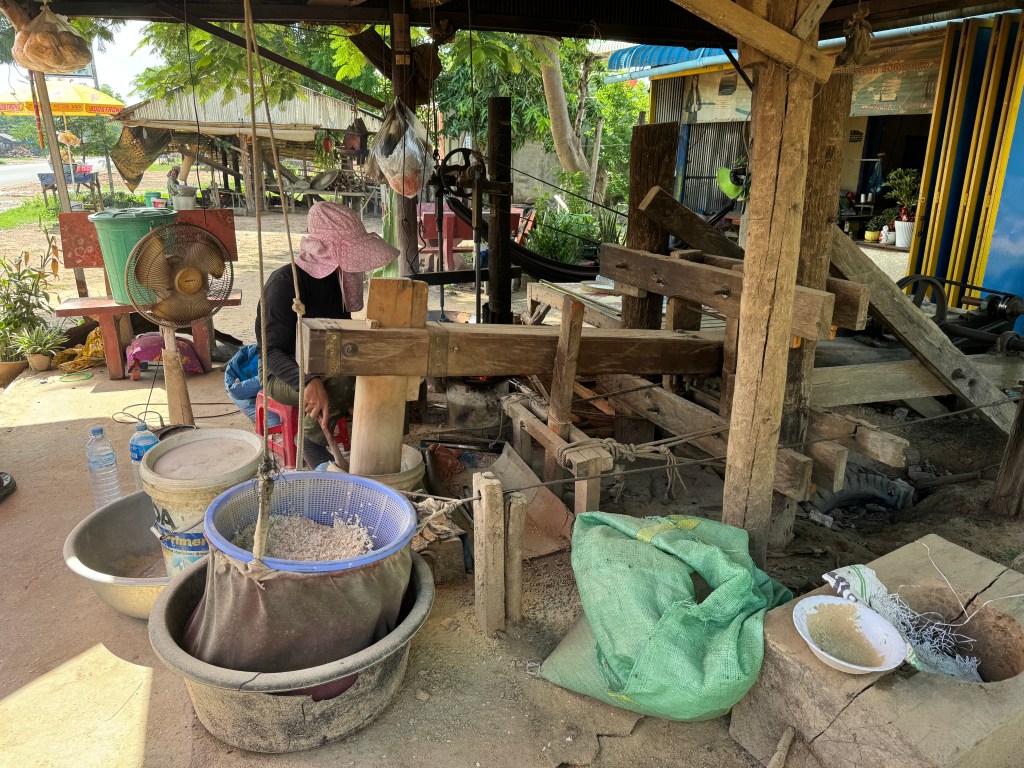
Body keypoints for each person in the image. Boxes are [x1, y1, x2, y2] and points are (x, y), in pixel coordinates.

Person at [256, 202, 398, 467]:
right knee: (342, 382)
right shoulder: (284, 283)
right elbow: (271, 352)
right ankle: (310, 443)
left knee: (380, 370)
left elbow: (341, 334)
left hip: (324, 362)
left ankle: (376, 445)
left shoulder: (338, 282)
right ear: (327, 250)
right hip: (283, 373)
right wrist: (308, 381)